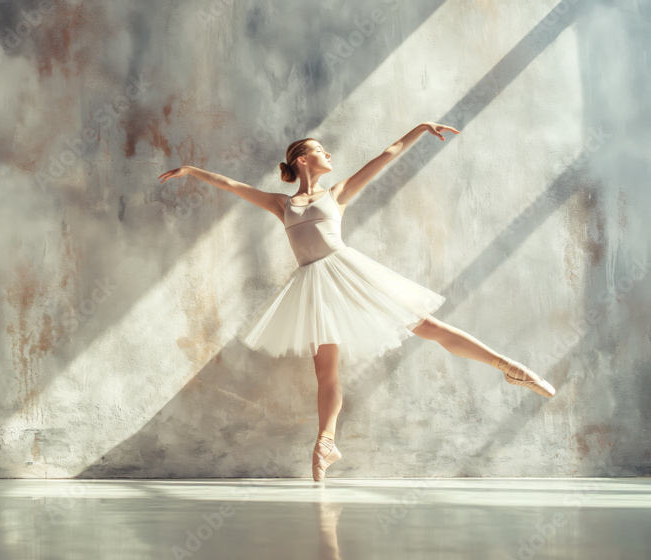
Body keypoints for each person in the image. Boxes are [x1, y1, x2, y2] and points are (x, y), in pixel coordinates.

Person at [157, 122, 556, 482]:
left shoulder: (338, 193)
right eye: (319, 149)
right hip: (313, 287)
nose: (327, 154)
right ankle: (326, 442)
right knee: (326, 371)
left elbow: (386, 155)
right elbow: (231, 186)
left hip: (348, 274)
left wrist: (419, 128)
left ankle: (510, 367)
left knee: (426, 326)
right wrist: (192, 171)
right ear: (300, 158)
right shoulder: (282, 205)